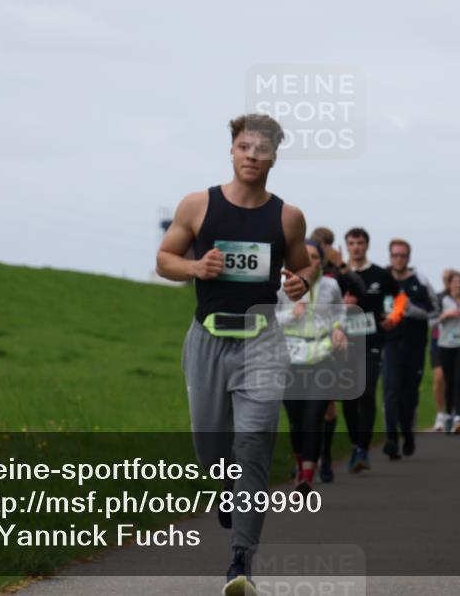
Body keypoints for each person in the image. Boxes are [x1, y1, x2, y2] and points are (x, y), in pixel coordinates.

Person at [155, 113, 316, 596]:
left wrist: (301, 279)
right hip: (206, 338)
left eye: (261, 149)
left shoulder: (287, 216)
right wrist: (195, 266)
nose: (251, 156)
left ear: (273, 157)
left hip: (262, 341)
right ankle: (224, 490)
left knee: (253, 446)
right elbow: (164, 260)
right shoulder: (198, 205)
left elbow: (304, 261)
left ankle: (240, 561)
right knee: (211, 447)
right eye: (244, 147)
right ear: (231, 151)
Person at [276, 239, 348, 493]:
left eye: (315, 257)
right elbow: (268, 318)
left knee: (313, 417)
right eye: (305, 256)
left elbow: (339, 313)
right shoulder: (282, 286)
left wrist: (339, 330)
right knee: (296, 421)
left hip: (322, 356)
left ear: (321, 262)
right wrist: (290, 314)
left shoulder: (331, 285)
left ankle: (307, 475)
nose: (310, 261)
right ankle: (300, 465)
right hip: (291, 357)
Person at [343, 227, 407, 470]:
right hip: (344, 342)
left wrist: (395, 317)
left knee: (366, 392)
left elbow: (400, 297)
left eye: (360, 242)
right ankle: (355, 444)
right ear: (347, 246)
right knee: (348, 398)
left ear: (367, 245)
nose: (356, 247)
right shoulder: (340, 275)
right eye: (351, 243)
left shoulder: (381, 273)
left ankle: (362, 450)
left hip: (372, 340)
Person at [308, 227, 364, 484]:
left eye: (328, 246)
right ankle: (305, 456)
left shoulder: (335, 273)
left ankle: (326, 456)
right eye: (322, 245)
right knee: (304, 405)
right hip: (302, 342)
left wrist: (341, 265)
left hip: (333, 342)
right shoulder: (305, 268)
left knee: (328, 403)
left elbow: (357, 288)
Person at [382, 239, 438, 458]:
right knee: (390, 391)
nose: (399, 259)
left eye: (402, 255)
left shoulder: (420, 281)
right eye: (395, 255)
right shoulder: (383, 279)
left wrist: (411, 310)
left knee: (409, 395)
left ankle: (408, 433)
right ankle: (391, 439)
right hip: (390, 343)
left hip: (414, 346)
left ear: (408, 257)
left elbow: (434, 310)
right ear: (390, 256)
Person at [434, 269, 460, 434]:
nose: (458, 284)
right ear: (449, 283)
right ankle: (449, 415)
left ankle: (458, 417)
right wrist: (446, 314)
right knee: (449, 382)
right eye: (455, 281)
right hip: (446, 344)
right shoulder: (441, 299)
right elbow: (433, 320)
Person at [430, 268, 454, 431]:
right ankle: (440, 413)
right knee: (439, 378)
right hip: (438, 341)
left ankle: (451, 413)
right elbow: (430, 319)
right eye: (445, 279)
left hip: (455, 344)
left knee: (452, 381)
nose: (447, 282)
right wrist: (443, 317)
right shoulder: (436, 299)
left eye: (450, 279)